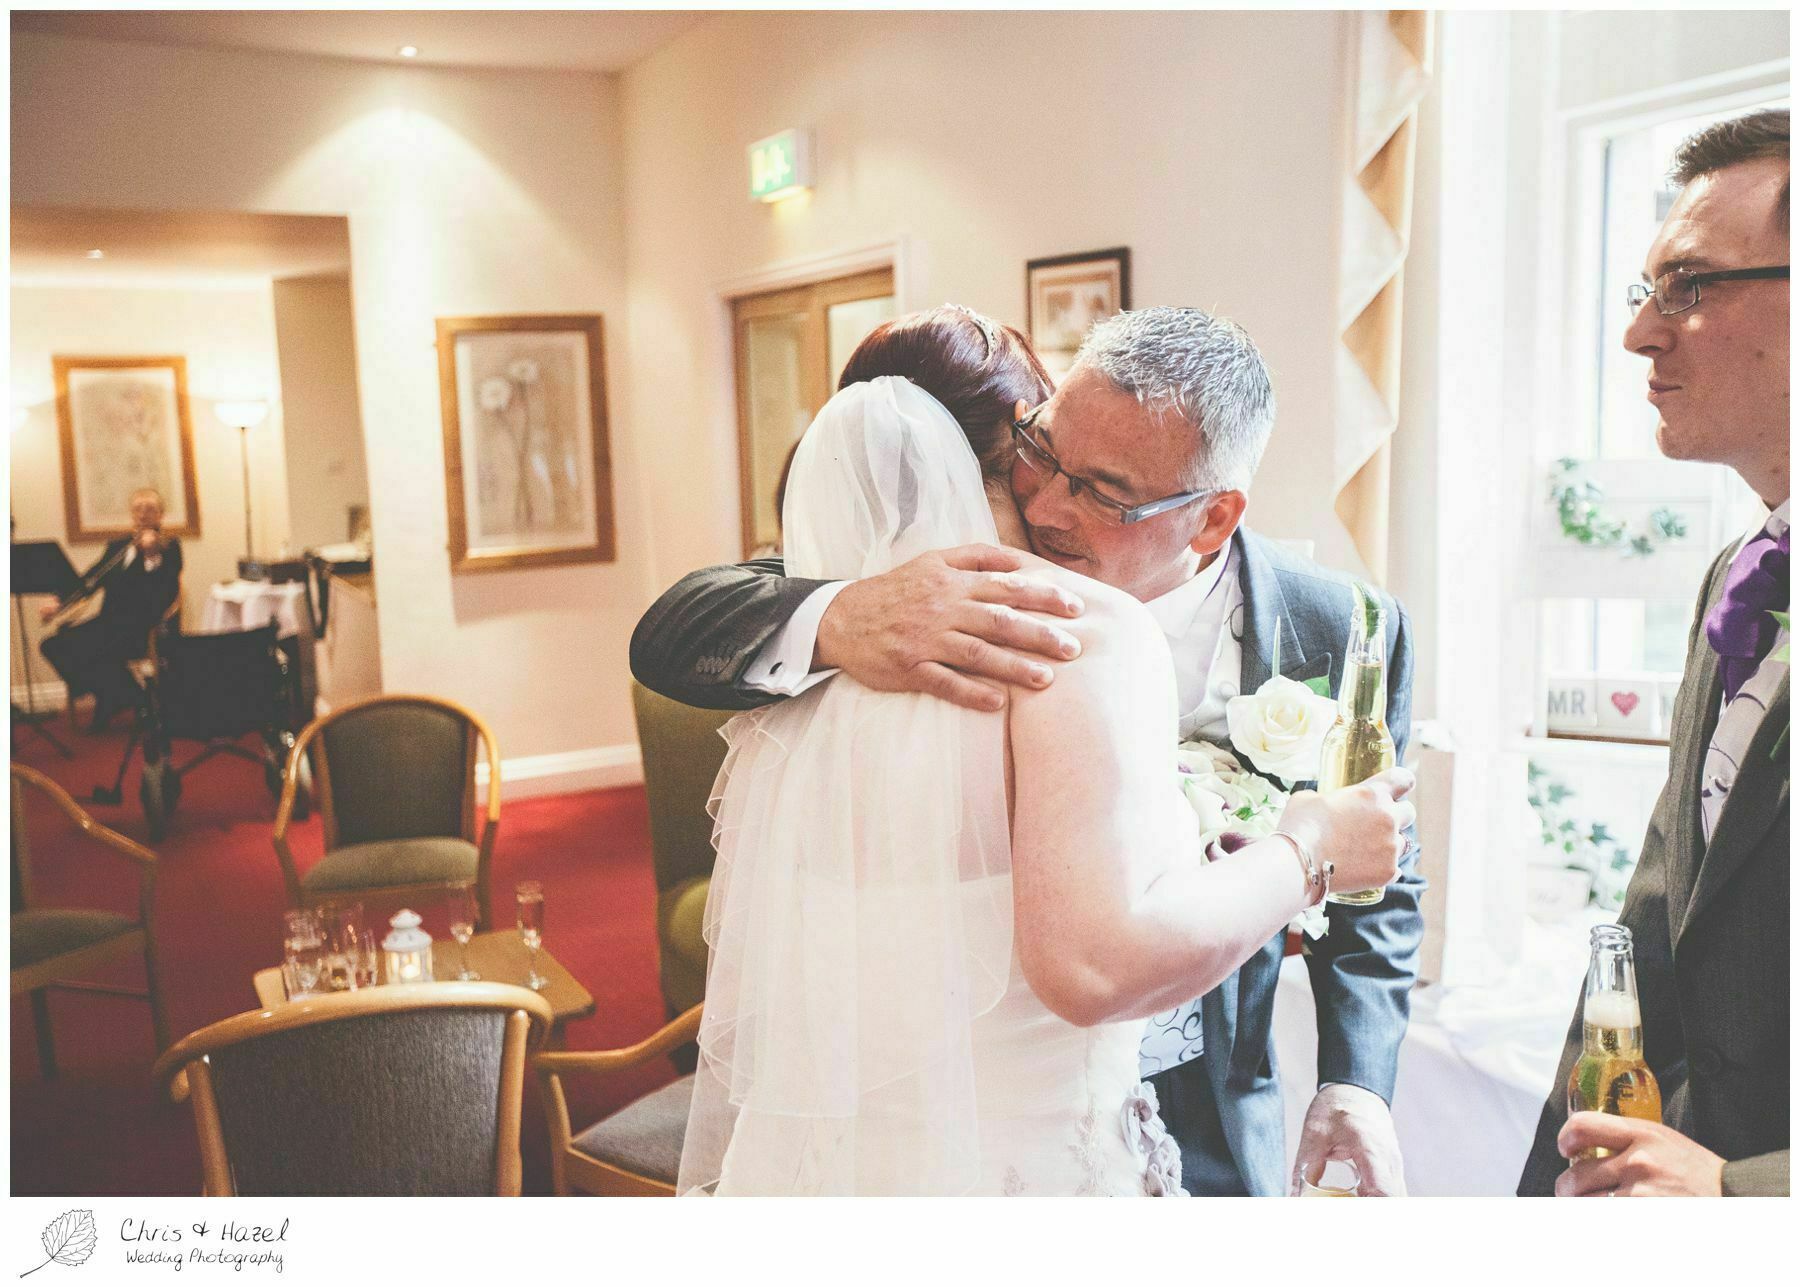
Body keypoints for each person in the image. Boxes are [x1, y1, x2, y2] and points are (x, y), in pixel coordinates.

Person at [641, 305, 1426, 1196]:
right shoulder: (894, 595)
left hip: (1197, 1107)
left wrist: (1356, 1081)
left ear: (1211, 519)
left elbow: (1381, 867)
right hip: (1001, 1112)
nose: (1048, 505)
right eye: (1042, 453)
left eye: (1102, 490)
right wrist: (843, 617)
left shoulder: (1345, 627)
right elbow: (671, 628)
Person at [1518, 109, 1789, 1198]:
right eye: (1646, 293)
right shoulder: (1737, 575)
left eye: (1689, 286)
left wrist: (1741, 1197)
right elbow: (1659, 918)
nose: (1640, 333)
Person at [39, 487, 183, 731]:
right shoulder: (118, 546)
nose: (143, 514)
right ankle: (123, 694)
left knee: (95, 649)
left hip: (143, 626)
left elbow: (166, 588)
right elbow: (90, 579)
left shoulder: (169, 547)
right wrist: (60, 603)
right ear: (132, 514)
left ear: (160, 515)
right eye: (138, 509)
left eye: (150, 509)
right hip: (108, 622)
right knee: (53, 645)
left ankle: (114, 697)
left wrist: (151, 556)